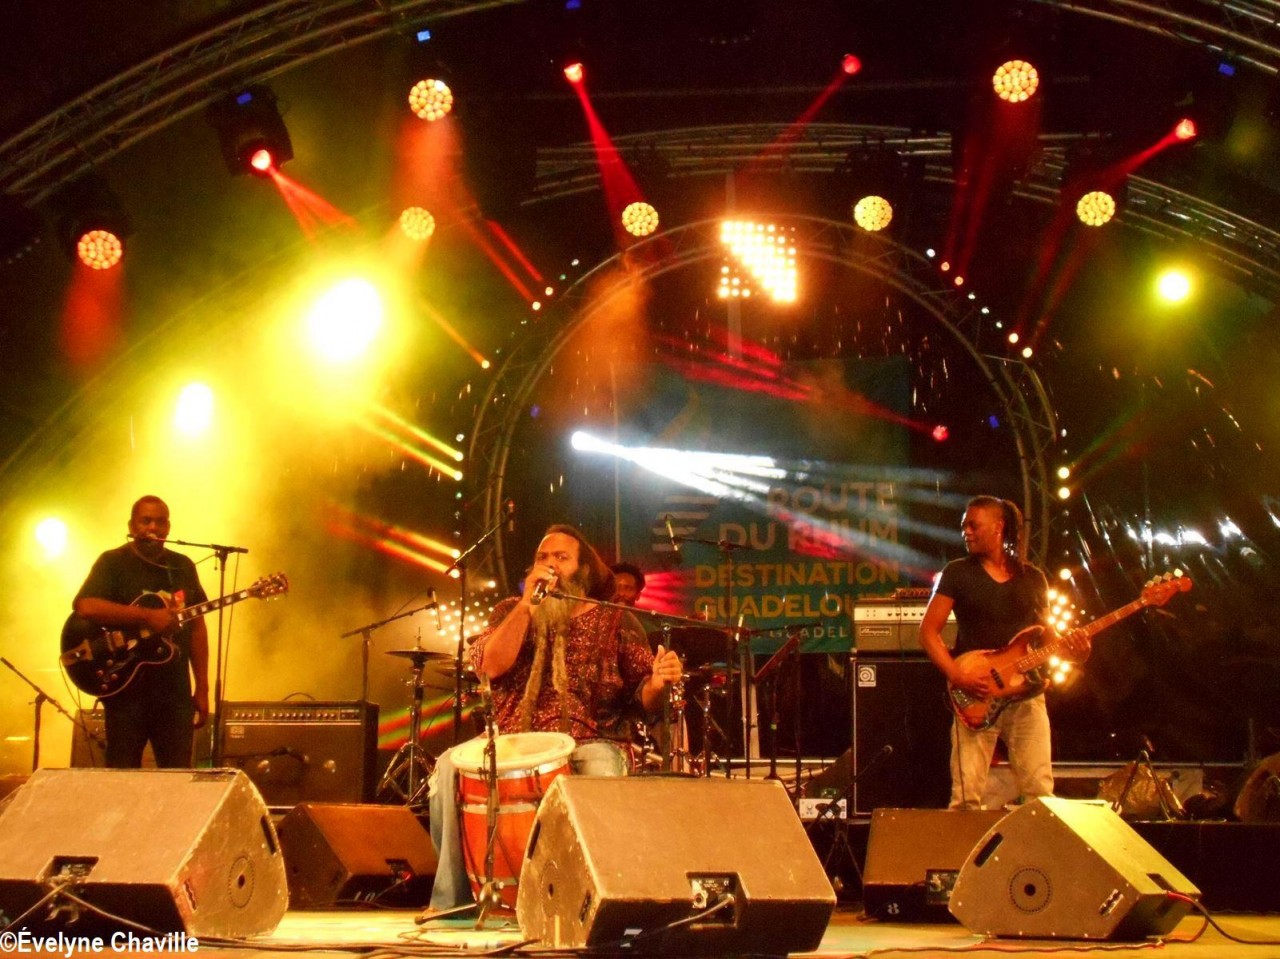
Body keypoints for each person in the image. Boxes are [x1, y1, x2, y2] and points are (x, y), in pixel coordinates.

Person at [427, 524, 682, 911]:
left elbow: (642, 696)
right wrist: (526, 607)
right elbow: (488, 666)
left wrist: (659, 682)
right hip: (510, 738)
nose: (550, 565)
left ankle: (598, 901)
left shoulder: (616, 620)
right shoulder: (507, 611)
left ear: (582, 570)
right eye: (542, 558)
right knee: (448, 766)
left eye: (562, 558)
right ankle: (451, 902)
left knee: (600, 768)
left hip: (588, 739)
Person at [919, 496, 1089, 810]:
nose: (966, 532)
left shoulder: (1033, 578)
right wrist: (957, 675)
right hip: (977, 691)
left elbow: (1048, 641)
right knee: (966, 799)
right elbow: (928, 632)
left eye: (974, 525)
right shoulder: (957, 573)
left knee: (1040, 794)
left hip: (1026, 696)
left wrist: (1076, 652)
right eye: (964, 526)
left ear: (999, 527)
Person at [71, 495, 211, 768]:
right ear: (132, 526)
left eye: (160, 522)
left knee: (178, 778)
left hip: (174, 694)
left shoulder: (182, 566)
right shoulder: (113, 562)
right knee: (122, 777)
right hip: (126, 693)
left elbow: (197, 627)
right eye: (146, 521)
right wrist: (147, 616)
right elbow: (85, 606)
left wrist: (202, 687)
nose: (153, 528)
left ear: (168, 527)